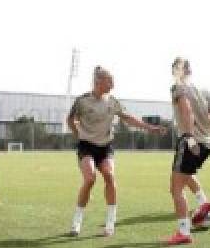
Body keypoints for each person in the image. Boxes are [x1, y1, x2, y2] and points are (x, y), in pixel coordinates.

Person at [65, 67, 166, 237]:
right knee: (89, 179)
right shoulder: (82, 101)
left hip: (105, 147)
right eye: (109, 81)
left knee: (109, 176)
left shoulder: (113, 101)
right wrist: (78, 135)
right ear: (98, 82)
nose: (113, 84)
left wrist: (151, 128)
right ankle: (77, 221)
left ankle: (110, 222)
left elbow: (128, 118)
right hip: (86, 146)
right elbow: (70, 119)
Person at [164, 58, 210, 246]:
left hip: (191, 141)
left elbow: (187, 110)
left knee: (175, 189)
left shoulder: (177, 87)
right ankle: (203, 202)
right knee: (186, 175)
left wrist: (189, 137)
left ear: (176, 71)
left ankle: (183, 232)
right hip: (206, 143)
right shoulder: (203, 90)